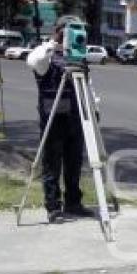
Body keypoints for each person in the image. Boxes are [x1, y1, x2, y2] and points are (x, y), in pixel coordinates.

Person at [26, 15, 94, 224]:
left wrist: (93, 106)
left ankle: (73, 202)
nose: (76, 34)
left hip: (76, 117)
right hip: (53, 119)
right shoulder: (45, 53)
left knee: (74, 163)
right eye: (71, 30)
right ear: (59, 30)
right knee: (52, 165)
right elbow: (33, 62)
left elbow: (87, 84)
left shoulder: (77, 56)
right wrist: (54, 44)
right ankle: (53, 206)